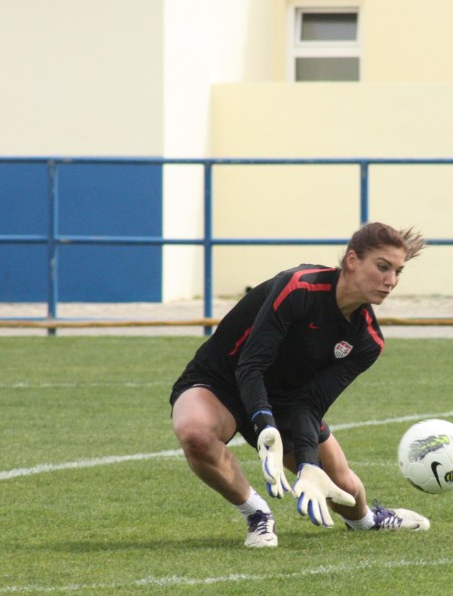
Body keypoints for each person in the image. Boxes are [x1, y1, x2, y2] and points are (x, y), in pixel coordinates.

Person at [170, 222, 430, 547]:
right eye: (382, 267)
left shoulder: (367, 342)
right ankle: (257, 514)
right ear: (352, 260)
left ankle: (368, 520)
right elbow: (251, 364)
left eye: (397, 271)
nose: (391, 281)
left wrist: (308, 465)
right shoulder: (298, 288)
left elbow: (310, 404)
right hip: (220, 381)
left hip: (288, 401)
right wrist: (265, 427)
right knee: (196, 434)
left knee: (341, 488)